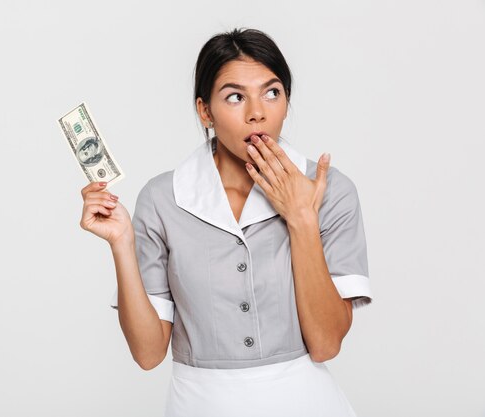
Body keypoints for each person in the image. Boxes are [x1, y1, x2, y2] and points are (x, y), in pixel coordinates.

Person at [80, 27, 372, 417]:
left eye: (272, 92)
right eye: (235, 97)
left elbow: (326, 344)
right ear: (205, 111)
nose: (257, 112)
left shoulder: (329, 190)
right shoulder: (163, 199)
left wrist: (301, 217)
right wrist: (121, 242)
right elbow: (148, 354)